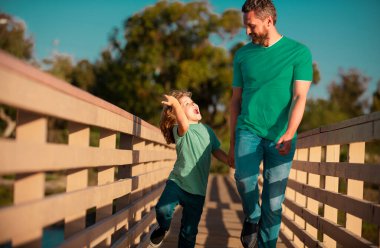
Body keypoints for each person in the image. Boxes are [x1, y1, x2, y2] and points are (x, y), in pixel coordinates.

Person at [228, 0, 313, 247]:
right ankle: (252, 216)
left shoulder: (299, 52)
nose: (247, 31)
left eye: (251, 25)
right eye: (245, 26)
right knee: (244, 179)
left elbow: (300, 96)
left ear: (269, 21)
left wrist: (290, 132)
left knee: (274, 203)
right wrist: (232, 142)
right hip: (248, 129)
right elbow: (235, 100)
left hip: (281, 135)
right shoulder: (243, 55)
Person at [150, 90, 229, 248]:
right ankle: (163, 227)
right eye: (186, 104)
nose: (193, 104)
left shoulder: (208, 131)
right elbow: (184, 124)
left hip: (197, 191)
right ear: (176, 114)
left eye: (192, 102)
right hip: (178, 182)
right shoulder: (179, 129)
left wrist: (229, 161)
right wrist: (174, 104)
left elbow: (216, 150)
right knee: (163, 208)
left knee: (189, 232)